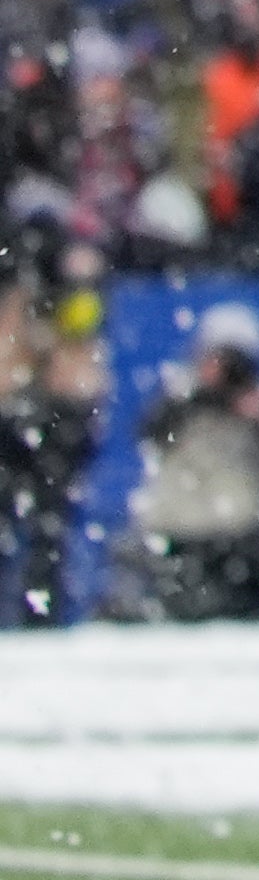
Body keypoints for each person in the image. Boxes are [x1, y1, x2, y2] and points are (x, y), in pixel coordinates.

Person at [122, 305, 259, 622]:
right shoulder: (179, 395)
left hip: (240, 534)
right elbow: (150, 432)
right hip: (177, 532)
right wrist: (200, 395)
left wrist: (256, 414)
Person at [0, 262, 110, 629]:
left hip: (55, 423)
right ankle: (37, 612)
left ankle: (40, 616)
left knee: (47, 535)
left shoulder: (72, 297)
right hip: (21, 423)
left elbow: (79, 368)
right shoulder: (21, 301)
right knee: (36, 531)